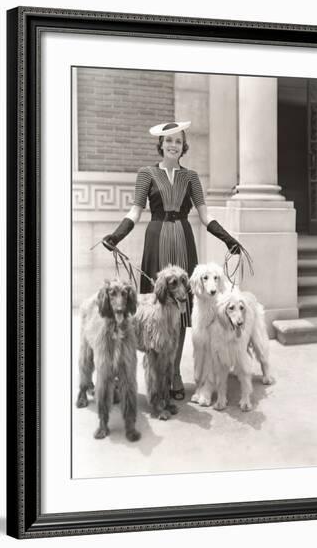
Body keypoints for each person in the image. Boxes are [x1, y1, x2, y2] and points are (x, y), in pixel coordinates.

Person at [102, 121, 241, 400]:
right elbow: (134, 211)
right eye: (169, 141)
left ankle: (175, 373)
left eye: (178, 141)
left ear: (183, 145)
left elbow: (205, 216)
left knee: (181, 311)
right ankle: (158, 374)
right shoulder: (146, 174)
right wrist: (116, 235)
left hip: (183, 241)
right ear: (161, 144)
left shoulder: (191, 177)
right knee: (157, 310)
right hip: (157, 240)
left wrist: (228, 238)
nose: (173, 145)